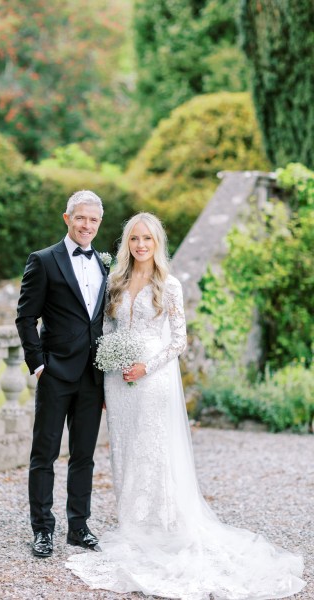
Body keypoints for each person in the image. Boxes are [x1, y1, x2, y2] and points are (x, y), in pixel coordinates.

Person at [66, 213, 306, 599]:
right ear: (126, 244)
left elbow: (178, 341)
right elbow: (108, 330)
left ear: (157, 243)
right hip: (118, 381)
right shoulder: (115, 282)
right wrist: (110, 363)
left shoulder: (169, 285)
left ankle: (161, 527)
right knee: (125, 453)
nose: (141, 245)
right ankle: (132, 525)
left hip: (153, 378)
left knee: (154, 453)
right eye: (134, 239)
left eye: (147, 239)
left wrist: (146, 366)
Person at [16, 190, 109, 558]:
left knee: (84, 456)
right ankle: (42, 530)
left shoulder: (104, 264)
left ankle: (78, 526)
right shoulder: (43, 260)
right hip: (55, 373)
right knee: (45, 454)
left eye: (94, 220)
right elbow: (25, 316)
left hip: (92, 377)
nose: (87, 225)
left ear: (99, 224)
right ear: (67, 218)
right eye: (81, 218)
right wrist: (39, 364)